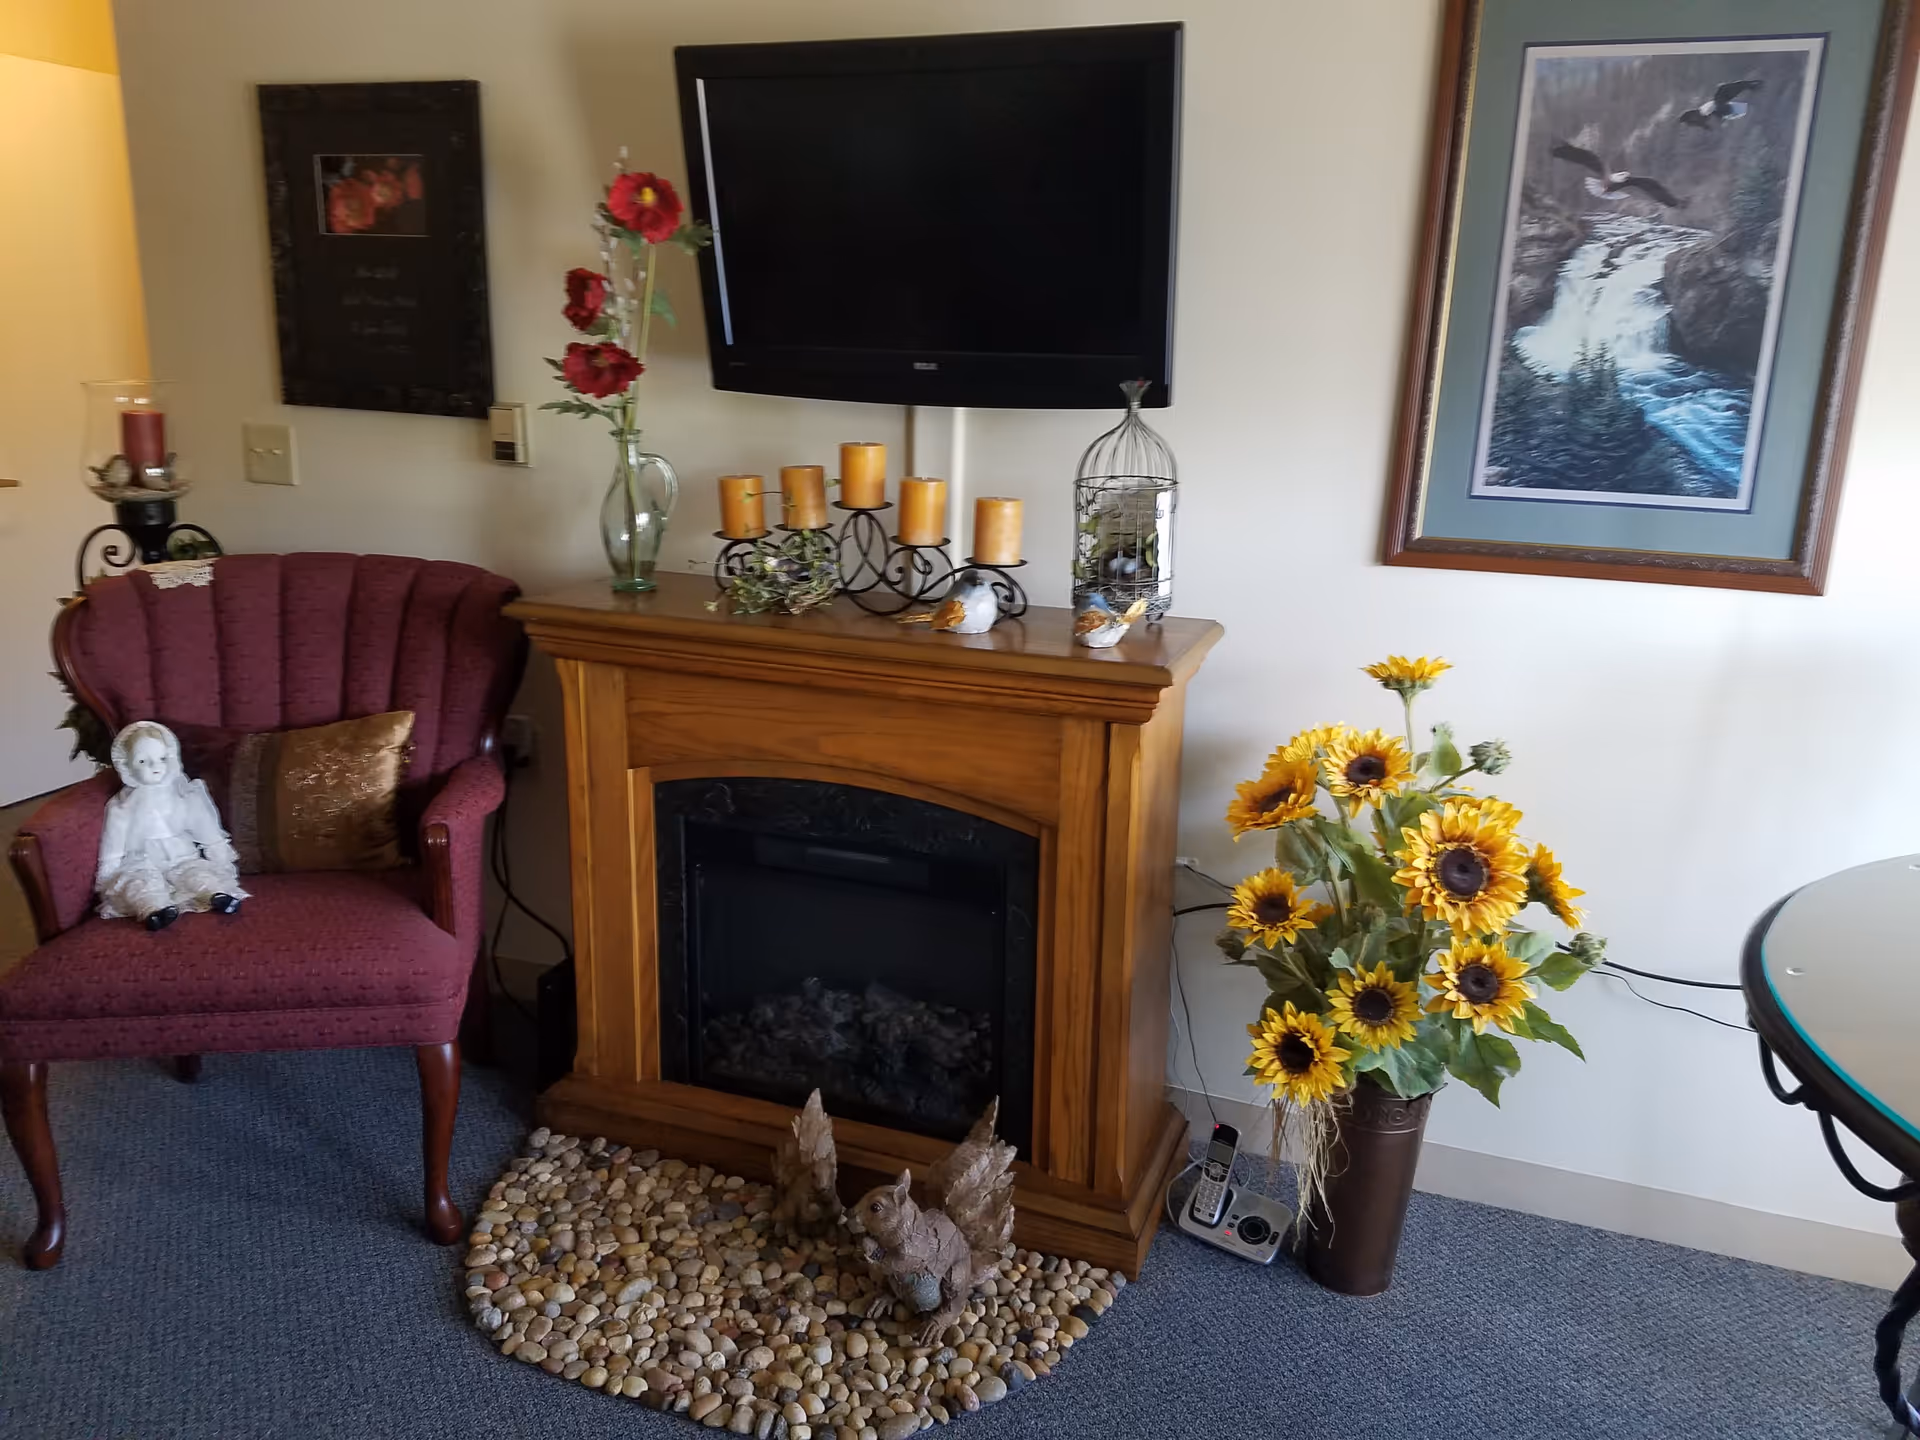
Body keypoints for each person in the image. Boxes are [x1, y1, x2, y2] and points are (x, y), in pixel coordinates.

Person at [95, 720, 246, 931]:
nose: (155, 767)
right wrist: (106, 880)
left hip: (183, 856)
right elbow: (113, 846)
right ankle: (154, 910)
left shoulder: (185, 795)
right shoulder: (122, 807)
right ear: (125, 765)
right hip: (141, 860)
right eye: (142, 761)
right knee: (140, 884)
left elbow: (208, 833)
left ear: (172, 757)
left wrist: (222, 861)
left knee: (197, 874)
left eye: (162, 759)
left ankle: (216, 895)